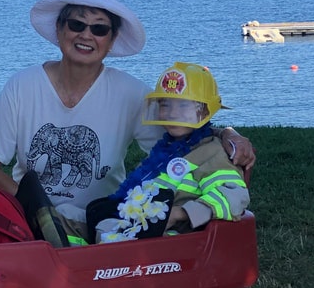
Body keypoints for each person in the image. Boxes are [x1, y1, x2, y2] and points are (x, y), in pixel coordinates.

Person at [0, 0, 255, 246]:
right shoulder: (22, 86)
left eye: (99, 29)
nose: (86, 35)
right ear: (59, 30)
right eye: (76, 24)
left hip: (106, 215)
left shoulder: (130, 92)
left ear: (111, 41)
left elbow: (185, 134)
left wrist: (228, 133)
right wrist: (35, 210)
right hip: (28, 217)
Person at [88, 62, 250, 242]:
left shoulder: (210, 153)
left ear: (205, 110)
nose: (173, 113)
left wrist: (180, 214)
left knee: (103, 234)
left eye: (183, 105)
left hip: (174, 239)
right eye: (166, 105)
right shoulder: (165, 149)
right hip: (141, 225)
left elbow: (235, 195)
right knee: (79, 215)